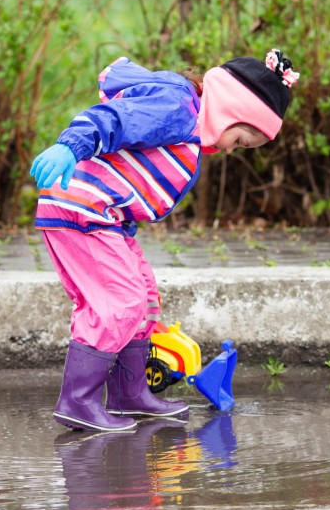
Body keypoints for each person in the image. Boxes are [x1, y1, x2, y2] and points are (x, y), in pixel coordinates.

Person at [30, 49, 299, 432]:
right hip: (82, 208)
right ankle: (78, 401)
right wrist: (71, 145)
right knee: (119, 301)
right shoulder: (175, 105)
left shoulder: (185, 120)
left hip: (107, 218)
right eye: (239, 140)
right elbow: (113, 119)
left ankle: (129, 393)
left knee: (144, 296)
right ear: (230, 108)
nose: (227, 150)